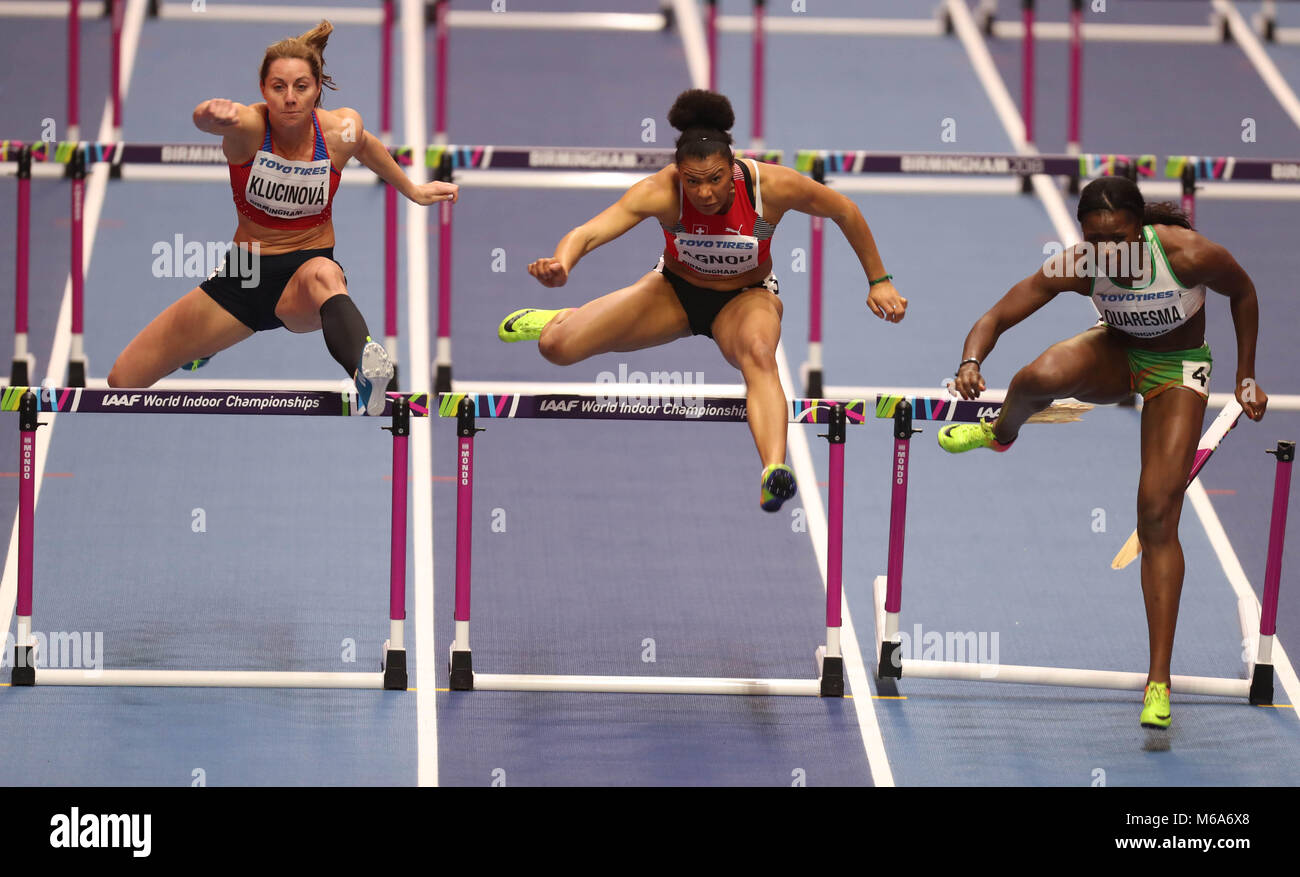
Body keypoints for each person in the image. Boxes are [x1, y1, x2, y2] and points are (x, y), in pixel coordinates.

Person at [938, 175, 1267, 729]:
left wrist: (1246, 375)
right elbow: (997, 315)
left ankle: (1158, 681)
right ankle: (1000, 433)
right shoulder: (1078, 264)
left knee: (1158, 513)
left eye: (1118, 239)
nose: (1107, 253)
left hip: (1178, 371)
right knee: (1036, 375)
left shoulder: (1187, 255)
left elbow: (1245, 292)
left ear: (1139, 228)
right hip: (1117, 353)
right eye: (1095, 240)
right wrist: (970, 362)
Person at [496, 89, 907, 511]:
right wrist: (563, 264)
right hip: (673, 292)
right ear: (679, 173)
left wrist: (880, 280)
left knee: (760, 355)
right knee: (555, 349)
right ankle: (568, 318)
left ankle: (772, 471)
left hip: (745, 299)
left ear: (734, 167)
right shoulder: (660, 191)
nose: (705, 193)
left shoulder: (773, 186)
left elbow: (845, 210)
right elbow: (589, 232)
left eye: (715, 179)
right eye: (693, 182)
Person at [107, 20, 458, 415]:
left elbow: (364, 144)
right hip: (244, 273)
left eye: (301, 87)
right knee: (122, 381)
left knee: (327, 275)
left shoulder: (340, 131)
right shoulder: (249, 128)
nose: (290, 98)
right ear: (263, 91)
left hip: (305, 273)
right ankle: (202, 348)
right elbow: (206, 122)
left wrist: (411, 189)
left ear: (316, 90)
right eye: (279, 87)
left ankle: (366, 374)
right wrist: (208, 113)